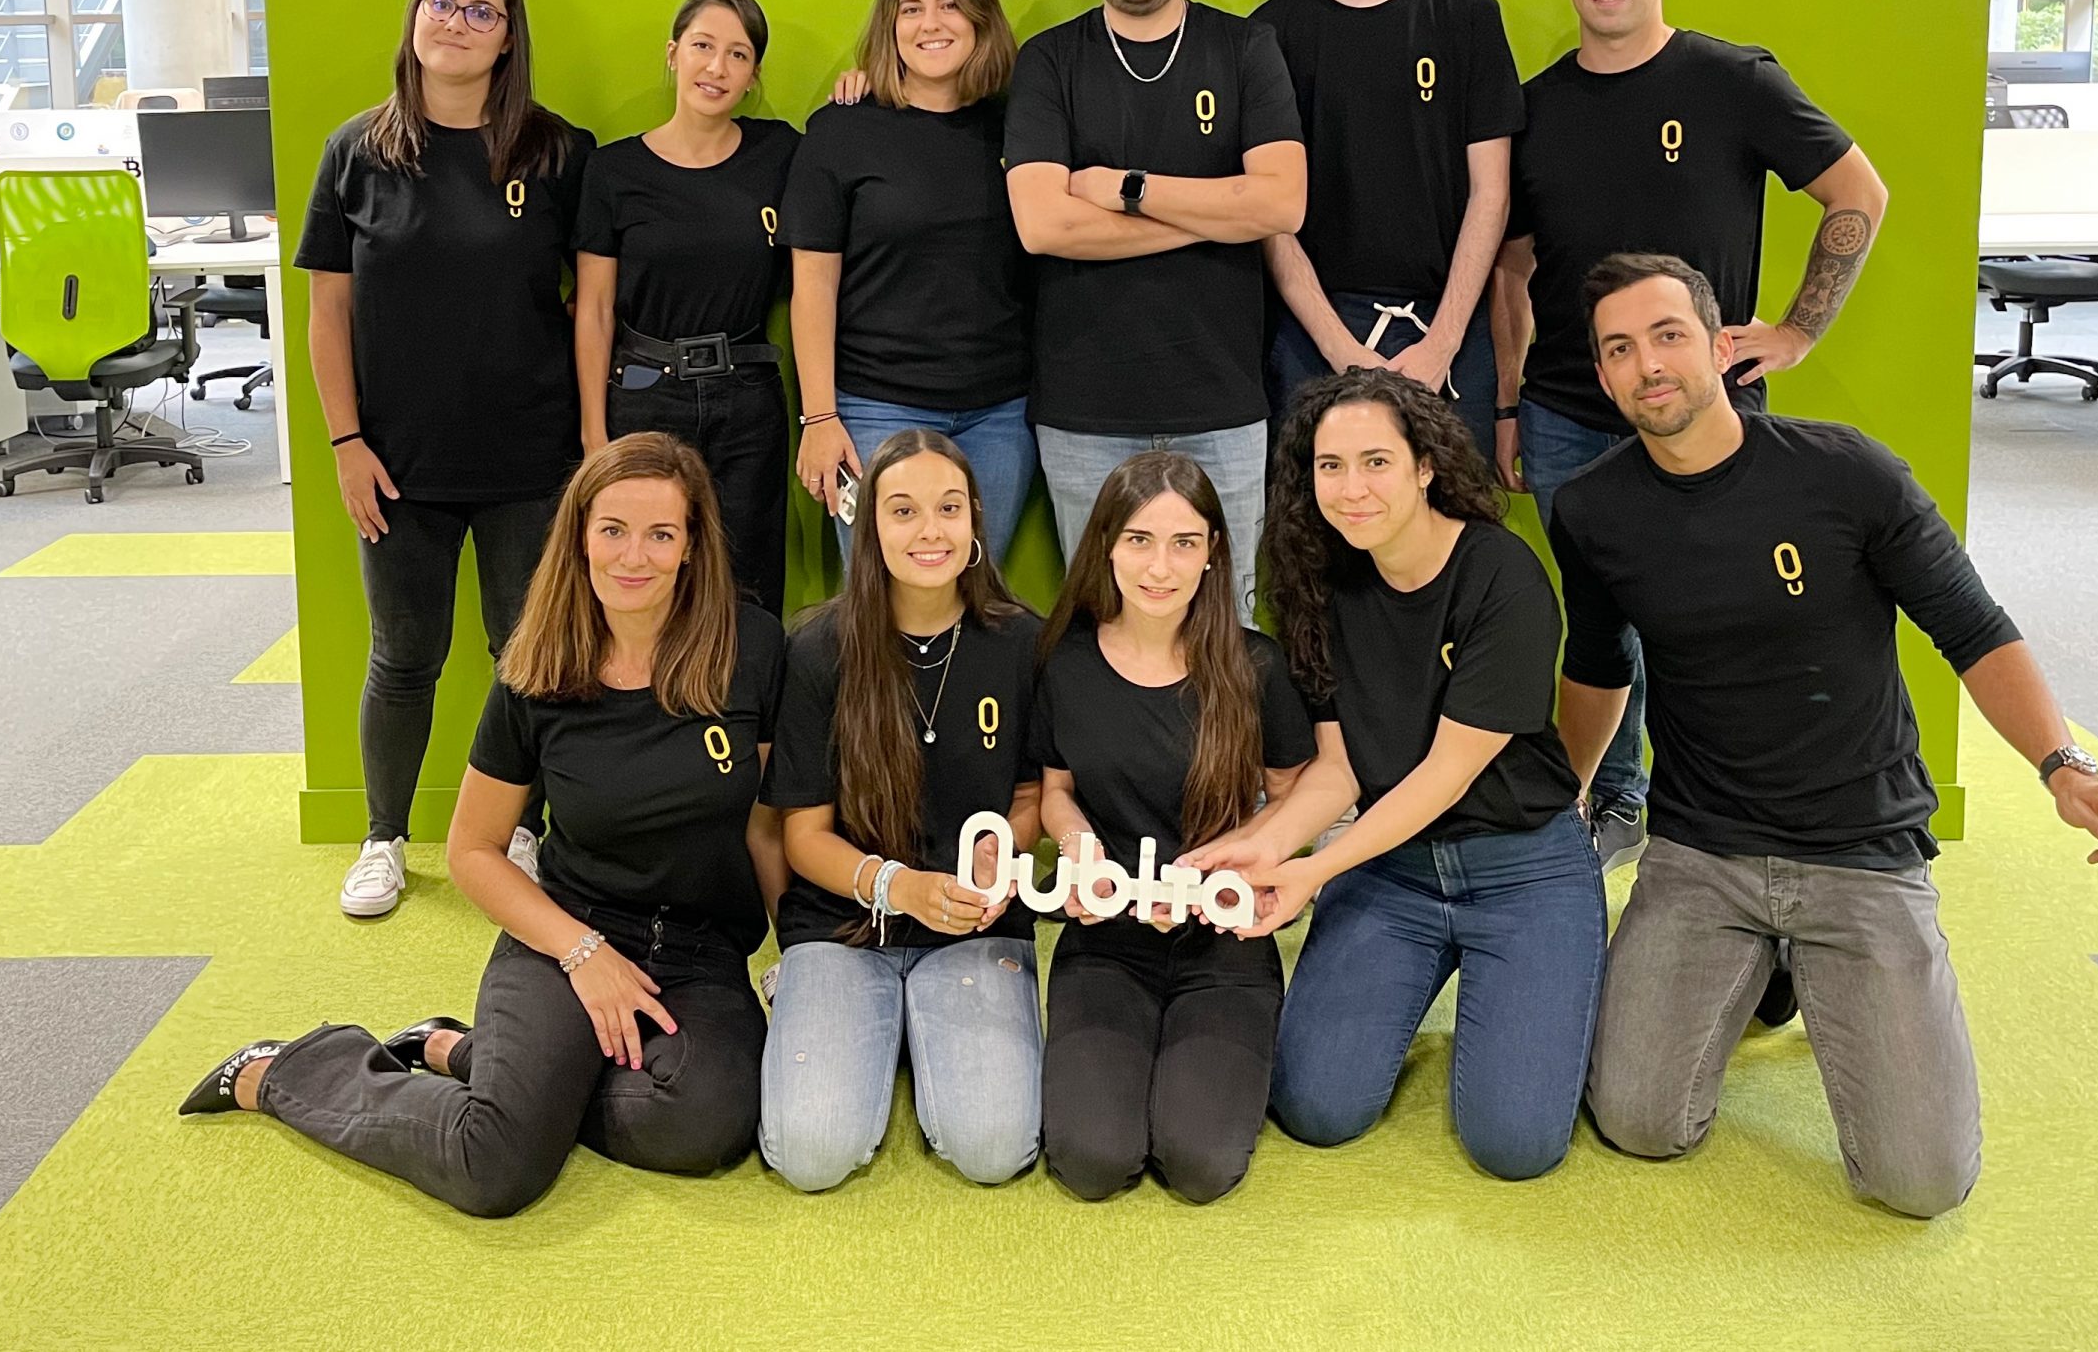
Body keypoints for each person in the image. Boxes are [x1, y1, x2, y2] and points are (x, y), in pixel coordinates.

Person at [1551, 254, 2098, 1219]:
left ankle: (1805, 961)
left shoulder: (1845, 474)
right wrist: (1566, 800)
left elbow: (1973, 628)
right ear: (1602, 374)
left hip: (1860, 848)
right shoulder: (1592, 508)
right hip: (1702, 849)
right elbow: (1597, 666)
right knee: (1638, 1121)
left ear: (1721, 346)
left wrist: (2064, 766)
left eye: (1668, 336)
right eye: (1619, 349)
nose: (1648, 364)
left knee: (1920, 1183)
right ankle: (1768, 961)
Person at [180, 435, 788, 1217]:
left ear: (692, 547)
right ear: (580, 536)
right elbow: (473, 850)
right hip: (567, 933)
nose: (634, 555)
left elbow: (770, 822)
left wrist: (798, 952)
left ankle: (467, 1055)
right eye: (612, 529)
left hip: (702, 952)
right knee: (493, 1165)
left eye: (661, 533)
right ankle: (292, 1069)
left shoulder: (752, 647)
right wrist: (582, 951)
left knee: (704, 1124)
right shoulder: (539, 665)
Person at [1493, 0, 1890, 875]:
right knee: (1599, 626)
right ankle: (1615, 798)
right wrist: (1506, 400)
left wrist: (1797, 331)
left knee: (1707, 614)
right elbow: (1512, 267)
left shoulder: (1733, 81)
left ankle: (1709, 805)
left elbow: (1857, 192)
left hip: (1709, 411)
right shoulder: (1537, 108)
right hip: (1565, 412)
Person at [1197, 371, 1606, 1181]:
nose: (1352, 489)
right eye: (1330, 466)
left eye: (1376, 461)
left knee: (1515, 1146)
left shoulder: (1501, 574)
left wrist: (1313, 869)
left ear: (1425, 466)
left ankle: (1557, 979)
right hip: (1394, 871)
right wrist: (1266, 845)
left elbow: (1446, 773)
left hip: (1522, 867)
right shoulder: (1316, 581)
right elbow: (1340, 766)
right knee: (1315, 1108)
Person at [296, 0, 594, 920]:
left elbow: (594, 301)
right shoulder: (356, 151)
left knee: (529, 655)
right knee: (403, 655)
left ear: (508, 39)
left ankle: (523, 831)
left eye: (480, 11)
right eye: (441, 3)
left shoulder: (558, 152)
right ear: (416, 15)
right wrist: (346, 444)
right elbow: (327, 314)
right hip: (397, 464)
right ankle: (383, 837)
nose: (455, 23)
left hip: (531, 458)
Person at [1004, 0, 1305, 618]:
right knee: (1103, 633)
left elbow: (1281, 204)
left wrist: (1126, 189)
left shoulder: (1245, 48)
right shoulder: (1049, 61)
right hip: (1085, 415)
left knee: (1226, 630)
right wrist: (1216, 215)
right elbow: (1041, 223)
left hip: (1224, 410)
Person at [758, 429, 1046, 1191]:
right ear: (869, 525)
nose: (930, 531)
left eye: (949, 507)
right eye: (903, 510)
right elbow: (803, 836)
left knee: (995, 1148)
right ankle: (828, 999)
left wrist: (999, 852)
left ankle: (911, 1023)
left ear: (975, 517)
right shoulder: (817, 647)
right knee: (811, 1154)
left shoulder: (1021, 640)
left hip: (975, 926)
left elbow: (1030, 796)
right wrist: (900, 887)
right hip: (846, 923)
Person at [1033, 452, 1314, 1203]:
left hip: (1222, 940)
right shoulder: (1065, 662)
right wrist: (1080, 846)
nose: (1160, 567)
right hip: (1106, 939)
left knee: (1198, 1165)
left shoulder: (1255, 666)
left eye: (1184, 542)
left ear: (1213, 551)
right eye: (1139, 540)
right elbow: (1056, 791)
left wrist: (1235, 864)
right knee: (1094, 1161)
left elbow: (1295, 800)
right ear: (1106, 545)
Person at [1255, 0, 1522, 457]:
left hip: (1450, 329)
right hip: (1314, 334)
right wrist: (1340, 350)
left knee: (1451, 518)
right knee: (1318, 521)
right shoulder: (1271, 35)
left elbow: (1491, 193)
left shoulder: (1467, 16)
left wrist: (1444, 341)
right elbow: (1269, 214)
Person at [784, 0, 1036, 562]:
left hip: (1000, 417)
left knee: (975, 596)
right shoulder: (841, 131)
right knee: (881, 600)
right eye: (911, 9)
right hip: (874, 410)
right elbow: (812, 286)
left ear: (979, 17)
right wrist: (819, 418)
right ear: (890, 25)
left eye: (950, 5)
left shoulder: (1022, 127)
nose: (931, 24)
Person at [576, 0, 799, 614]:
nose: (717, 67)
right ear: (674, 54)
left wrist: (857, 84)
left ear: (754, 74)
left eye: (738, 54)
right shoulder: (614, 172)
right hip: (646, 395)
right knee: (645, 580)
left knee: (748, 587)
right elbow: (594, 310)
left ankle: (745, 684)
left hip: (748, 398)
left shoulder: (781, 153)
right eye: (703, 46)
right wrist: (594, 433)